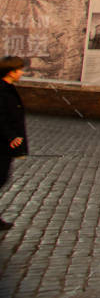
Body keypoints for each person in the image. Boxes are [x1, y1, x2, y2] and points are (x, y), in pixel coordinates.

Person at [0, 57, 27, 231]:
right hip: (2, 143)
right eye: (20, 70)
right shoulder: (2, 90)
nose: (22, 73)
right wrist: (11, 136)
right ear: (11, 72)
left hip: (5, 142)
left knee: (1, 177)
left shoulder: (7, 89)